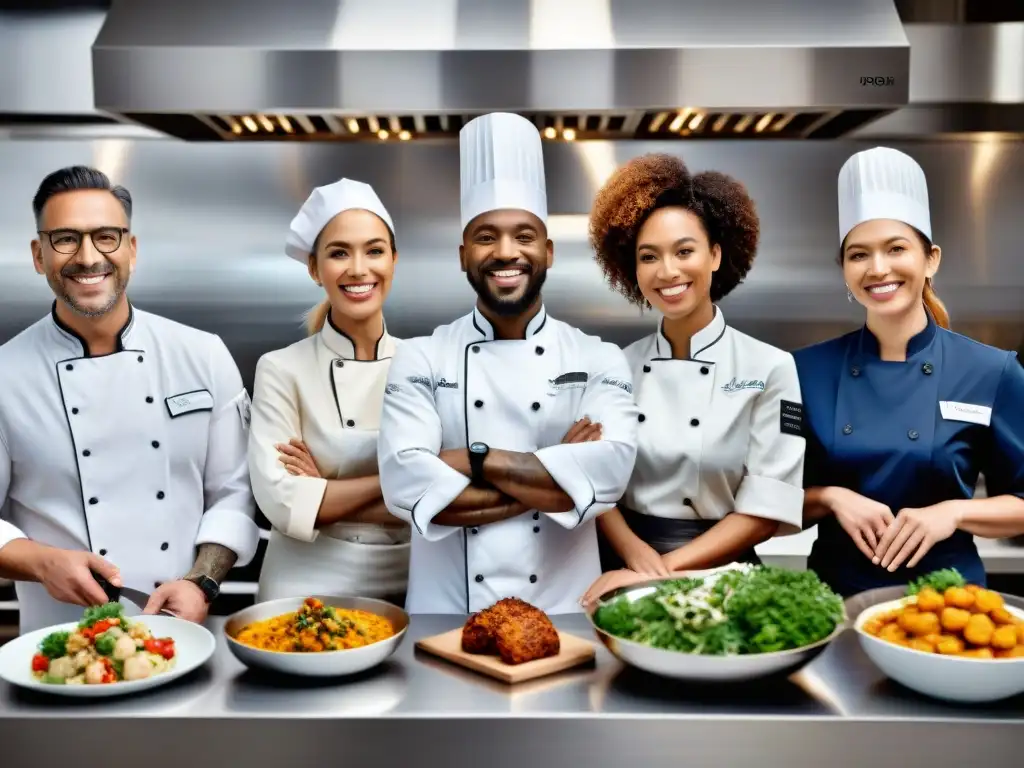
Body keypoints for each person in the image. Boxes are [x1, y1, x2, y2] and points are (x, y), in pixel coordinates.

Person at [376, 112, 639, 615]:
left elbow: (606, 480)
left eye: (524, 235)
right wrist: (559, 470)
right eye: (485, 236)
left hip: (564, 616)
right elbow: (405, 487)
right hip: (445, 617)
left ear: (548, 251)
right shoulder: (420, 356)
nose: (505, 252)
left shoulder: (598, 357)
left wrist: (471, 459)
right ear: (462, 254)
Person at [0, 166, 260, 633]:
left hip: (182, 631)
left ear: (131, 250)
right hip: (57, 642)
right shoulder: (5, 374)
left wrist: (202, 582)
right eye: (65, 239)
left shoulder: (202, 354)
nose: (88, 256)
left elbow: (234, 495)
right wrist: (42, 563)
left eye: (106, 236)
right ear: (39, 256)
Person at [795, 146, 1024, 596]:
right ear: (844, 269)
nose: (878, 268)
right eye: (859, 254)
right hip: (833, 605)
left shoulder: (992, 371)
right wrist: (830, 498)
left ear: (930, 258)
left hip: (950, 605)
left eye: (896, 248)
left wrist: (953, 513)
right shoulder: (804, 371)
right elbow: (764, 506)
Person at [581, 154, 806, 604]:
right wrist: (635, 558)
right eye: (649, 257)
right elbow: (591, 481)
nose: (667, 272)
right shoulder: (612, 367)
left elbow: (764, 509)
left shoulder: (770, 368)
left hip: (723, 577)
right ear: (632, 269)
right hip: (622, 567)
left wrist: (658, 571)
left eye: (684, 251)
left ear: (716, 255)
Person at [247, 178, 410, 603]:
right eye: (339, 253)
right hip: (302, 585)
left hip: (413, 582)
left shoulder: (427, 365)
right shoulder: (281, 369)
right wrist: (399, 481)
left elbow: (447, 499)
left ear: (394, 260)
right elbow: (281, 505)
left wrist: (324, 492)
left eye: (374, 250)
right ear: (315, 269)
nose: (358, 268)